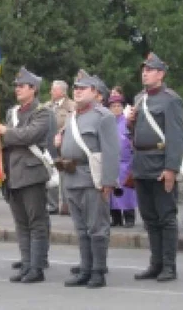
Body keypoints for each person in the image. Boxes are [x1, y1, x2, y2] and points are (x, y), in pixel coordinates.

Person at [56, 71, 119, 288]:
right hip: (71, 176)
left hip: (92, 178)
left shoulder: (104, 116)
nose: (78, 91)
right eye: (76, 88)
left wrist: (108, 182)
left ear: (95, 92)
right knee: (81, 228)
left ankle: (98, 271)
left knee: (97, 228)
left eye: (83, 88)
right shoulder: (73, 116)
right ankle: (85, 268)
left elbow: (111, 152)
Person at [128, 53, 183, 282]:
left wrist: (171, 168)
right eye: (144, 69)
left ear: (161, 74)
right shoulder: (139, 98)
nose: (145, 73)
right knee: (150, 218)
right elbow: (136, 135)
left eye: (150, 70)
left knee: (166, 218)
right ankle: (156, 263)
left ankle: (169, 266)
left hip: (160, 163)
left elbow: (176, 136)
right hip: (142, 163)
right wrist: (131, 123)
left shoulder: (171, 99)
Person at [0, 67, 52, 284]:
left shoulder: (42, 112)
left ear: (33, 89)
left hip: (31, 173)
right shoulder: (13, 112)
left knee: (36, 222)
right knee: (21, 223)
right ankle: (26, 264)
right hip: (12, 174)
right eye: (16, 86)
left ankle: (37, 267)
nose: (17, 89)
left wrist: (5, 133)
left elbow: (31, 135)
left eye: (22, 86)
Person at [44, 80, 76, 215]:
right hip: (48, 144)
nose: (51, 91)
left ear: (62, 92)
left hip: (63, 144)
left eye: (54, 89)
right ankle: (53, 205)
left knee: (64, 174)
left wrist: (61, 134)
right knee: (50, 173)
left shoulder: (72, 106)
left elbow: (72, 123)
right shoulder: (46, 106)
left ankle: (67, 205)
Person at [108, 94, 137, 228]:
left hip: (126, 162)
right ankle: (116, 218)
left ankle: (129, 218)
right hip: (112, 162)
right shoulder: (107, 123)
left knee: (126, 191)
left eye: (119, 106)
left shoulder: (127, 122)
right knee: (112, 193)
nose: (116, 108)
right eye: (113, 106)